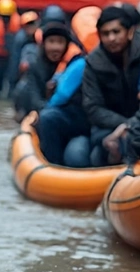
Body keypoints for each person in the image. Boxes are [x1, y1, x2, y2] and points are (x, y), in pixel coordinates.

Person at [25, 22, 91, 167]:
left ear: (67, 45)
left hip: (74, 123)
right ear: (44, 44)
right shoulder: (36, 67)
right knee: (47, 117)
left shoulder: (77, 67)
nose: (55, 47)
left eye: (60, 42)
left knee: (76, 156)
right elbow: (33, 97)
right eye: (51, 42)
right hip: (47, 121)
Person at [82, 6, 140, 166]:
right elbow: (92, 107)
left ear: (129, 32)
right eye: (106, 34)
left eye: (116, 32)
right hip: (109, 125)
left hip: (138, 123)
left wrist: (132, 125)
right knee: (95, 151)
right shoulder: (93, 63)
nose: (111, 38)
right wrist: (124, 124)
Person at [6, 11, 39, 96]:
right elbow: (15, 59)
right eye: (28, 25)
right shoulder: (20, 39)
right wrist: (13, 77)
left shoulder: (40, 37)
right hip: (22, 74)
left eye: (33, 24)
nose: (30, 27)